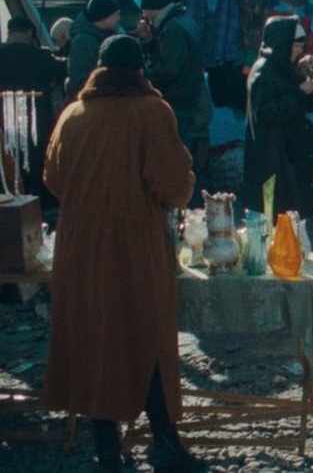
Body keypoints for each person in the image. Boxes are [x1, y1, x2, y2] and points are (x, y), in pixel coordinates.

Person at [42, 35, 200, 472]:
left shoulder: (73, 114)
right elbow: (174, 185)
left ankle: (106, 446)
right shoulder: (152, 111)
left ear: (98, 67)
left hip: (78, 246)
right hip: (133, 245)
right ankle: (165, 440)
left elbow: (54, 179)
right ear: (140, 70)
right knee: (145, 336)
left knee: (96, 339)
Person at [243, 15, 313, 219]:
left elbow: (300, 104)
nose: (299, 51)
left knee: (294, 215)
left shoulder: (282, 67)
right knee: (281, 216)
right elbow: (268, 112)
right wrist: (300, 91)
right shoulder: (263, 72)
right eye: (295, 45)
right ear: (282, 43)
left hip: (289, 152)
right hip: (274, 155)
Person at [136, 0, 209, 156]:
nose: (145, 18)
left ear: (153, 8)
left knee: (176, 151)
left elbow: (169, 69)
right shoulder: (183, 20)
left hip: (177, 100)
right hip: (189, 96)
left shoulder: (173, 28)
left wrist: (143, 75)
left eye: (145, 13)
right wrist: (149, 42)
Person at [0, 15, 66, 205]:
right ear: (30, 33)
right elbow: (64, 69)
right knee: (36, 164)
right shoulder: (43, 57)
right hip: (37, 121)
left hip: (3, 122)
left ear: (9, 33)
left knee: (7, 164)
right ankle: (40, 204)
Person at [66, 0, 121, 101]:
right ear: (104, 16)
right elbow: (79, 79)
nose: (119, 18)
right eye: (116, 14)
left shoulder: (106, 35)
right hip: (90, 101)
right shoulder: (83, 42)